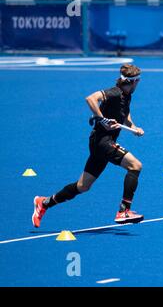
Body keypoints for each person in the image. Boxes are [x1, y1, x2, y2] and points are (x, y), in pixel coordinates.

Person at [32, 64, 146, 227]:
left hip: (101, 143)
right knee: (135, 166)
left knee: (83, 186)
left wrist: (133, 127)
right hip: (102, 142)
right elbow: (90, 99)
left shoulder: (127, 95)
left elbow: (124, 113)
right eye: (138, 80)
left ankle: (44, 203)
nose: (139, 83)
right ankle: (124, 211)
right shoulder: (113, 93)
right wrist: (101, 119)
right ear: (132, 81)